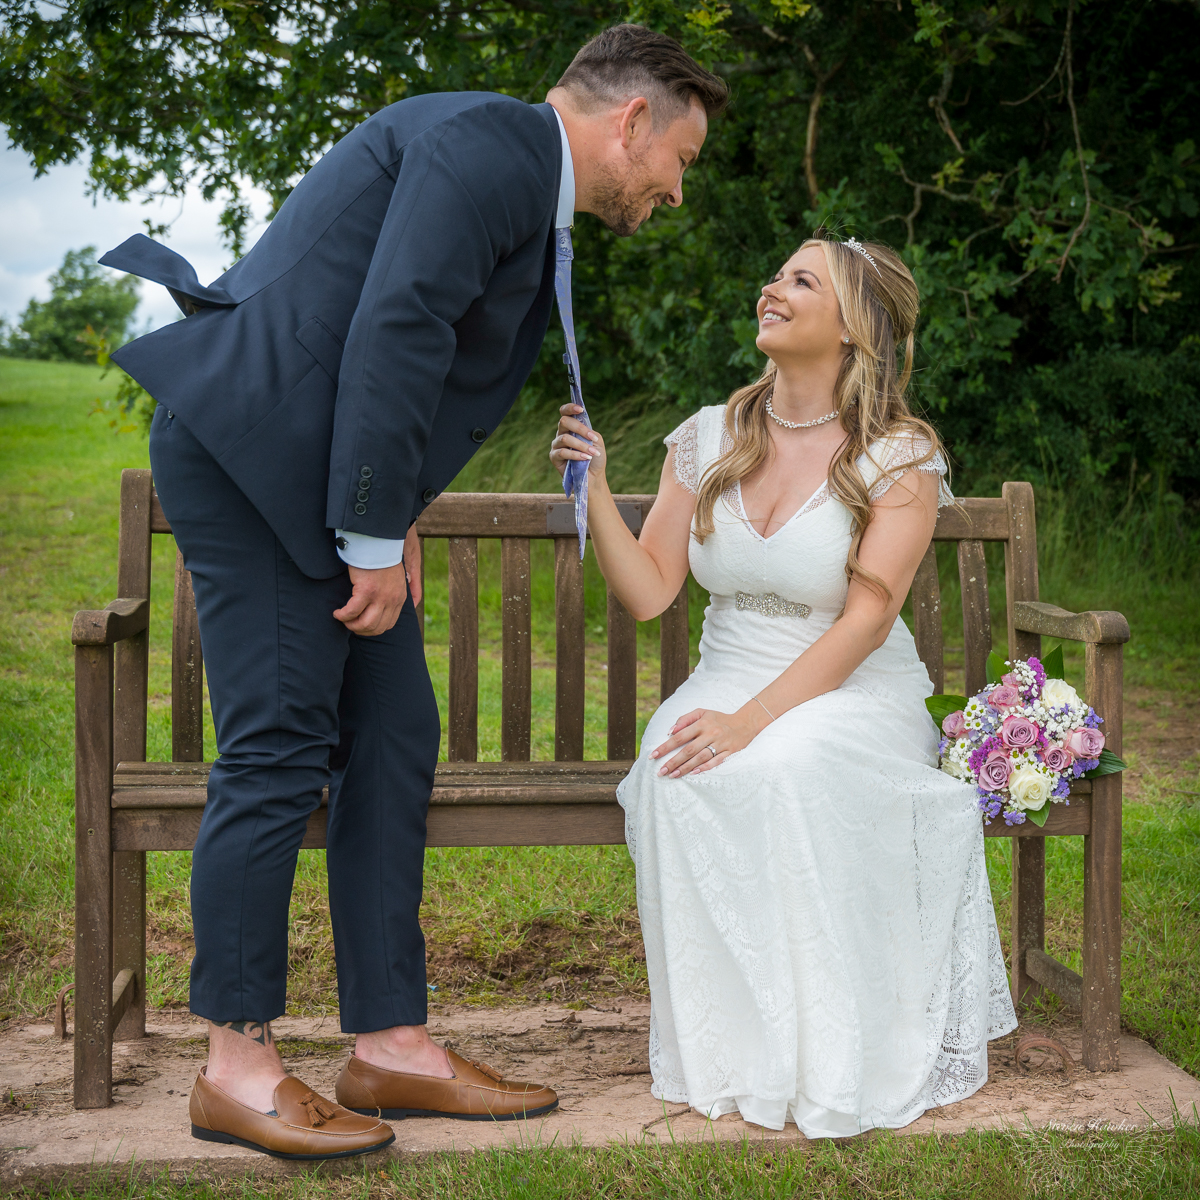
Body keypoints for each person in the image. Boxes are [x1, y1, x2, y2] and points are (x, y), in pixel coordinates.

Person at [99, 25, 727, 1160]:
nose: (676, 190)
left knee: (394, 733)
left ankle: (389, 1046)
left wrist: (387, 516)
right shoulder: (494, 148)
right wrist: (372, 529)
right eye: (679, 157)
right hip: (254, 459)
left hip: (313, 478)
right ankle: (235, 1066)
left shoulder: (504, 165)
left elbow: (388, 336)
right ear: (631, 121)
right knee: (281, 744)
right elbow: (398, 326)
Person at [549, 233, 1018, 1137]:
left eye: (802, 280)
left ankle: (831, 1048)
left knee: (786, 767)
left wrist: (753, 721)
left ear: (852, 327)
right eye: (775, 274)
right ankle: (736, 1050)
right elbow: (649, 593)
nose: (773, 288)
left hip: (848, 690)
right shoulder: (708, 435)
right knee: (674, 767)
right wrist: (596, 488)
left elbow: (866, 620)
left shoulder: (899, 454)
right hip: (726, 674)